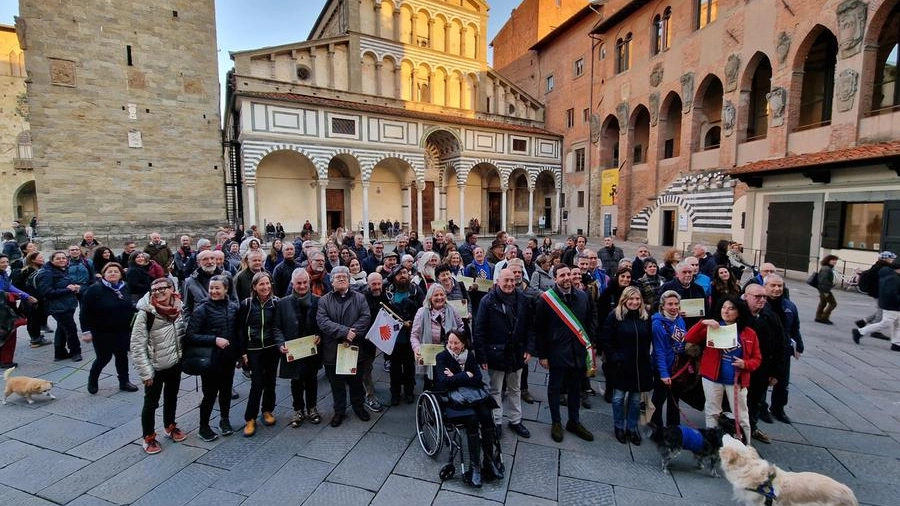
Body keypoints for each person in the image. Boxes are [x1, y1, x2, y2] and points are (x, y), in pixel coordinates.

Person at [685, 295, 761, 445]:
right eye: (723, 307)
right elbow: (690, 337)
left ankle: (746, 444)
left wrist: (745, 364)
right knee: (712, 411)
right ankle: (711, 442)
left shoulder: (748, 333)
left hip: (736, 379)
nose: (726, 311)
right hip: (712, 377)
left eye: (731, 308)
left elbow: (757, 359)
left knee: (741, 415)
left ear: (739, 312)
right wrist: (703, 323)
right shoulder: (713, 327)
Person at [533, 264, 594, 442]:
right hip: (557, 352)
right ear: (555, 278)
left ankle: (574, 421)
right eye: (562, 275)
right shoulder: (546, 300)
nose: (567, 278)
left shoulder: (583, 297)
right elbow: (540, 329)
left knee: (575, 388)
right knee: (555, 388)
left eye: (568, 274)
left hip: (578, 352)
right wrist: (542, 355)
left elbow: (588, 323)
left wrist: (590, 347)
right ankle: (556, 422)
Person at [435, 330, 503, 487]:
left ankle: (489, 460)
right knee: (472, 420)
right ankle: (475, 467)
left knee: (486, 416)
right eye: (450, 342)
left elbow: (478, 378)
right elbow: (444, 381)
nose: (452, 346)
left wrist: (456, 377)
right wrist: (466, 376)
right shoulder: (442, 357)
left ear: (463, 344)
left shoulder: (469, 356)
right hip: (454, 399)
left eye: (456, 343)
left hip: (473, 396)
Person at [475, 268, 532, 439]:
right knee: (496, 389)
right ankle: (496, 421)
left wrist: (529, 349)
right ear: (498, 281)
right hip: (496, 353)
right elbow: (479, 330)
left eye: (512, 280)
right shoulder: (487, 300)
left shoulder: (522, 299)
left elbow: (530, 326)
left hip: (517, 352)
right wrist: (482, 356)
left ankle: (515, 420)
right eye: (505, 280)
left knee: (515, 388)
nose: (509, 284)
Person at [131, 276, 186, 453]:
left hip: (174, 361)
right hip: (155, 366)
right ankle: (148, 437)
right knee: (151, 403)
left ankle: (170, 425)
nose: (159, 292)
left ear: (172, 289)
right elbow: (137, 345)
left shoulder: (178, 307)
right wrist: (146, 373)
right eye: (154, 290)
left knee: (172, 396)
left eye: (163, 288)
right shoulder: (146, 313)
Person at [184, 275, 240, 441]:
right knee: (209, 394)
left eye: (217, 288)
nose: (213, 291)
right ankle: (204, 426)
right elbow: (190, 336)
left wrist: (239, 354)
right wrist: (214, 340)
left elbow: (237, 334)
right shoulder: (202, 309)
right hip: (210, 360)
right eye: (211, 288)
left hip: (228, 358)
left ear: (226, 289)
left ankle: (224, 420)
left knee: (226, 391)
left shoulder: (233, 307)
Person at [316, 266, 371, 427]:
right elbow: (322, 321)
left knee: (356, 381)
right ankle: (339, 411)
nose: (341, 279)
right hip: (333, 349)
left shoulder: (359, 298)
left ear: (349, 280)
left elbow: (365, 317)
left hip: (354, 347)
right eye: (338, 277)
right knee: (336, 383)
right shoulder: (324, 300)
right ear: (331, 281)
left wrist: (352, 334)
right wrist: (345, 332)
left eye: (344, 277)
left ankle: (358, 407)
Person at [600, 286, 653, 445]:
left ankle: (632, 427)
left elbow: (649, 338)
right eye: (631, 299)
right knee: (618, 398)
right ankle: (619, 426)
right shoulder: (614, 316)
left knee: (636, 400)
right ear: (624, 300)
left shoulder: (645, 317)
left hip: (639, 365)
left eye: (637, 299)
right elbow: (606, 340)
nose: (634, 302)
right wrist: (615, 358)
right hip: (621, 364)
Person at [237, 272, 284, 436]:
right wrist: (242, 352)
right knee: (257, 384)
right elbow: (241, 330)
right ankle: (250, 418)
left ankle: (267, 410)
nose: (265, 287)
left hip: (271, 348)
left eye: (267, 283)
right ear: (254, 287)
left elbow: (279, 325)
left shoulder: (276, 302)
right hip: (254, 349)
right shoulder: (247, 304)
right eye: (261, 284)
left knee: (270, 381)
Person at [80, 263, 139, 393]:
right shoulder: (95, 289)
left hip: (122, 330)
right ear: (104, 274)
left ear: (120, 274)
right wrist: (86, 331)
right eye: (109, 271)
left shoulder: (125, 287)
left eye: (116, 271)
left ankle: (124, 382)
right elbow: (84, 312)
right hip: (101, 331)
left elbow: (129, 305)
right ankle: (93, 379)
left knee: (122, 356)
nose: (113, 273)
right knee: (103, 358)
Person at [276, 268, 323, 427]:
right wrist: (280, 344)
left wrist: (319, 335)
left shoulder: (318, 300)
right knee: (296, 380)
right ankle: (298, 409)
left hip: (311, 348)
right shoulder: (282, 303)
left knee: (311, 379)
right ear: (292, 283)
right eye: (299, 283)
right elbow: (277, 327)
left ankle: (312, 407)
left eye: (305, 283)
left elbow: (322, 324)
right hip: (293, 349)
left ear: (309, 282)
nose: (302, 286)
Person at [764, 274, 803, 423]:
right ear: (765, 286)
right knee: (762, 381)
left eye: (779, 286)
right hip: (765, 349)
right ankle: (762, 408)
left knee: (783, 382)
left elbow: (795, 327)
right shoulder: (761, 304)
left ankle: (778, 408)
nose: (776, 289)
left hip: (783, 350)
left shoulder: (789, 306)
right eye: (773, 286)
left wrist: (799, 345)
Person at [410, 284, 464, 390]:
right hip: (430, 355)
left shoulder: (452, 309)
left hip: (449, 353)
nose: (439, 298)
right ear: (430, 297)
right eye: (436, 295)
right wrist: (416, 349)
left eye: (442, 294)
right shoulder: (422, 312)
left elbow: (461, 327)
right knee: (430, 384)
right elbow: (414, 335)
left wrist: (460, 343)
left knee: (448, 382)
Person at [384, 264, 425, 404]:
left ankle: (409, 391)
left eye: (405, 272)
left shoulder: (415, 290)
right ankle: (395, 392)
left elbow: (423, 309)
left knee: (409, 366)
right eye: (399, 273)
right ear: (394, 277)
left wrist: (413, 322)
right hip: (393, 337)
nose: (403, 275)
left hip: (411, 336)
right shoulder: (388, 292)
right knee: (394, 367)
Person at [649, 290, 686, 440]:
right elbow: (659, 351)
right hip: (662, 368)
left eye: (676, 304)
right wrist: (664, 373)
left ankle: (673, 429)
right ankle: (655, 429)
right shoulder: (657, 324)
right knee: (658, 400)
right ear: (663, 306)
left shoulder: (679, 319)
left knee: (674, 400)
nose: (674, 307)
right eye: (670, 304)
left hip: (677, 368)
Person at [35, 251, 82, 362]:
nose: (62, 260)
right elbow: (47, 292)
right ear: (52, 260)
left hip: (67, 304)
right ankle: (76, 352)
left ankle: (60, 353)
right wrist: (68, 289)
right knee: (71, 329)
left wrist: (74, 288)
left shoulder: (62, 270)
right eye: (58, 258)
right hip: (58, 307)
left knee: (62, 328)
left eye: (63, 258)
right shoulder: (46, 273)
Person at [853, 258, 900, 350]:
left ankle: (896, 343)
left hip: (894, 305)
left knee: (898, 324)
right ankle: (860, 331)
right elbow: (891, 293)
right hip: (891, 305)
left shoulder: (892, 277)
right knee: (886, 323)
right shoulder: (893, 278)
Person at [20, 252, 51, 348]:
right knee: (33, 319)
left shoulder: (40, 268)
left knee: (36, 318)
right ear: (33, 260)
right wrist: (29, 297)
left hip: (38, 298)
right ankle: (35, 338)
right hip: (32, 299)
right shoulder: (27, 271)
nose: (43, 259)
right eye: (40, 257)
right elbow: (24, 287)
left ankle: (36, 336)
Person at [814, 255, 839, 324]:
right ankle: (824, 317)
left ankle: (818, 317)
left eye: (836, 260)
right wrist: (826, 291)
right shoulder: (826, 269)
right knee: (833, 303)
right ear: (828, 260)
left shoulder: (826, 268)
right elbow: (824, 281)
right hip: (824, 289)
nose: (835, 262)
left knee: (823, 303)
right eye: (833, 260)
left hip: (822, 289)